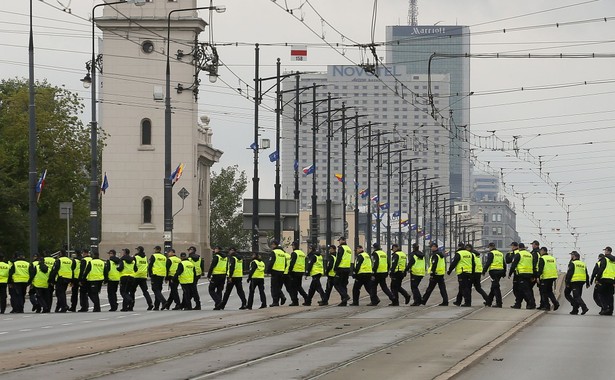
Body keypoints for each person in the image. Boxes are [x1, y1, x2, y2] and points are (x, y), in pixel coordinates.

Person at [508, 243, 536, 309]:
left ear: (519, 248)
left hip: (521, 274)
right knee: (520, 290)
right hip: (529, 274)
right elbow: (533, 265)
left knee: (525, 290)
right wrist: (533, 275)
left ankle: (531, 304)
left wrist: (510, 273)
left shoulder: (519, 254)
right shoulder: (530, 254)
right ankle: (518, 304)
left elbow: (514, 265)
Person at [447, 243, 473, 307]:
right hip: (469, 272)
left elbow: (454, 262)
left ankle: (467, 302)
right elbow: (473, 263)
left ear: (458, 247)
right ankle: (458, 301)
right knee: (464, 287)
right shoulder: (469, 253)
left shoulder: (459, 253)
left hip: (462, 272)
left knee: (464, 288)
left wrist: (449, 271)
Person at [564, 251, 589, 315]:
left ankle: (584, 307)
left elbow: (570, 273)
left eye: (571, 255)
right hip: (582, 281)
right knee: (578, 296)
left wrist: (567, 282)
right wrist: (587, 282)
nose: (571, 256)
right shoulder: (583, 264)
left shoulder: (573, 263)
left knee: (568, 294)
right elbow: (586, 274)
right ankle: (575, 310)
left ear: (574, 256)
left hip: (574, 281)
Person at [536, 246, 559, 311]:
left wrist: (538, 277)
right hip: (552, 277)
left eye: (540, 251)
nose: (540, 252)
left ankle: (547, 306)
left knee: (544, 292)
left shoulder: (542, 258)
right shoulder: (552, 258)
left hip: (545, 277)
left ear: (543, 251)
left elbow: (540, 269)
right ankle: (555, 303)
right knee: (549, 291)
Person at [483, 242, 506, 308]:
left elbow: (488, 262)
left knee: (496, 287)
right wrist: (504, 272)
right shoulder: (500, 253)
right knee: (494, 286)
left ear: (490, 247)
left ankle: (499, 303)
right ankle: (488, 302)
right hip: (500, 271)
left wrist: (484, 271)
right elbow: (504, 264)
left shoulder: (491, 253)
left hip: (494, 272)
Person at [266, 241, 287, 307]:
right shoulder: (283, 252)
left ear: (274, 245)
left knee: (274, 287)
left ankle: (276, 301)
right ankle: (279, 299)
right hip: (281, 271)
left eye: (272, 244)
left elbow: (271, 262)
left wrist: (268, 271)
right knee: (278, 287)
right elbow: (285, 263)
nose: (271, 246)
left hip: (275, 271)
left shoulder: (274, 252)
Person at [595, 246, 615, 315]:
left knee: (601, 294)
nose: (604, 252)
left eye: (605, 251)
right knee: (610, 295)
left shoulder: (604, 259)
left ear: (607, 251)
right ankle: (611, 310)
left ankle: (605, 308)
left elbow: (602, 269)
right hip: (612, 280)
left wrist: (597, 279)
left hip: (604, 279)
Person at [333, 236, 352, 306]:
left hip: (341, 268)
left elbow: (339, 258)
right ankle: (344, 301)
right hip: (347, 268)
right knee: (344, 285)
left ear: (342, 240)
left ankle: (345, 296)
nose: (339, 242)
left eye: (339, 240)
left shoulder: (341, 248)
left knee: (336, 283)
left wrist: (335, 267)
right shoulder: (348, 248)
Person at [288, 241, 308, 306]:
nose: (292, 247)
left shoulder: (294, 253)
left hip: (295, 272)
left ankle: (296, 301)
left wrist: (289, 271)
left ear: (294, 246)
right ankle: (305, 298)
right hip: (301, 271)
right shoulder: (302, 253)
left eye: (292, 246)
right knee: (298, 286)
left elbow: (292, 263)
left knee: (294, 287)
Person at [133, 246, 154, 311]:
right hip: (143, 276)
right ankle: (150, 303)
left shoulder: (135, 257)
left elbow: (134, 266)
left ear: (138, 250)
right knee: (145, 291)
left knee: (132, 291)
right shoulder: (145, 257)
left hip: (136, 276)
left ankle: (131, 305)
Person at [148, 246, 167, 311]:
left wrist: (150, 274)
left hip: (155, 274)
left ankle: (164, 301)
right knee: (158, 290)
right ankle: (156, 306)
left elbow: (150, 265)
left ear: (156, 249)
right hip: (162, 274)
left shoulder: (154, 256)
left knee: (155, 289)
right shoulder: (164, 257)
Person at [188, 246, 204, 310]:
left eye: (189, 250)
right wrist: (201, 273)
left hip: (190, 275)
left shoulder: (189, 258)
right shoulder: (199, 258)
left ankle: (194, 304)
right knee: (193, 290)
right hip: (197, 275)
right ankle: (196, 304)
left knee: (191, 290)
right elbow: (202, 266)